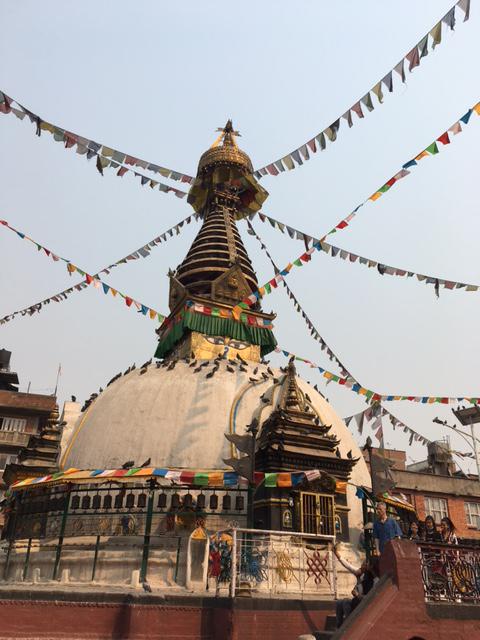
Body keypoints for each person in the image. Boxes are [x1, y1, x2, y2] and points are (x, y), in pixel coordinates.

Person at [333, 544, 379, 628]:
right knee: (339, 602)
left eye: (366, 564)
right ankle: (339, 626)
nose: (363, 565)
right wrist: (336, 554)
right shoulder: (362, 575)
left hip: (364, 603)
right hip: (357, 601)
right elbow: (348, 565)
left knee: (346, 602)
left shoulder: (375, 580)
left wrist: (357, 594)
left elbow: (369, 597)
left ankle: (348, 625)